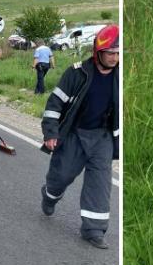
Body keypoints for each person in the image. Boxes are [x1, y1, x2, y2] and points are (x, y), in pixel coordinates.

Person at [40, 24, 119, 250]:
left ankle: (93, 229)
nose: (114, 58)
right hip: (74, 135)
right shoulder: (77, 73)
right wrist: (51, 132)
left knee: (100, 183)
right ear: (98, 52)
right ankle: (49, 195)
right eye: (110, 53)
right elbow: (54, 104)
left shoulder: (121, 76)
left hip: (102, 138)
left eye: (118, 53)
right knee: (61, 176)